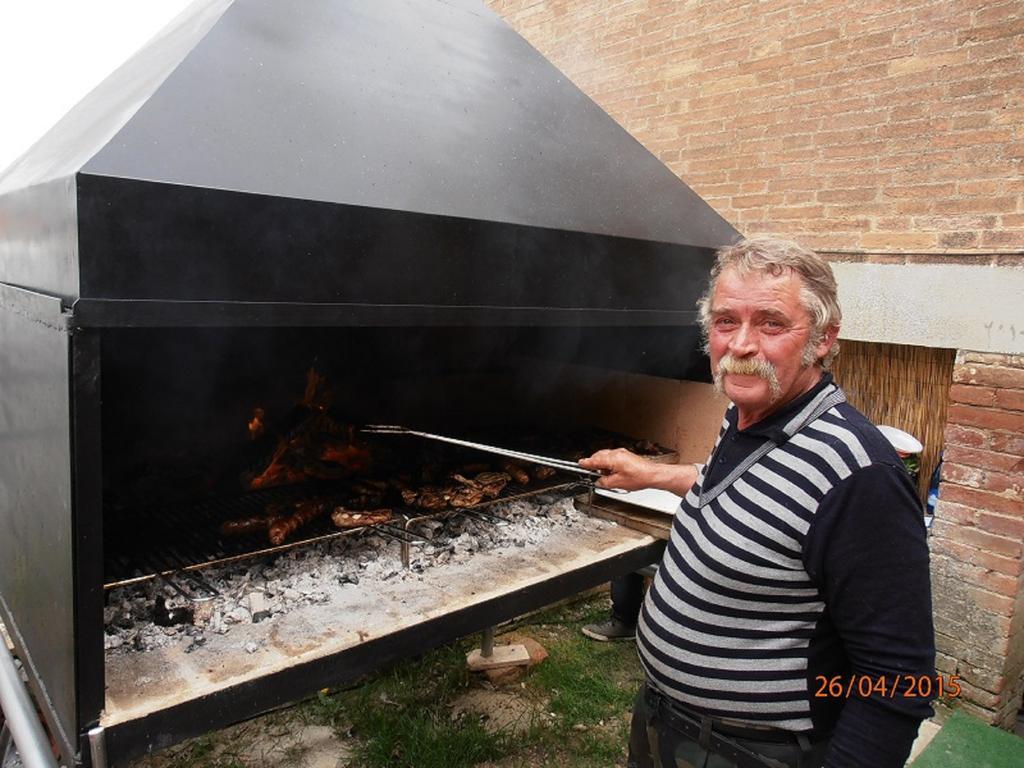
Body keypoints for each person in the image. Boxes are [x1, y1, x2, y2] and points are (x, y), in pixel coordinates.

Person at [580, 238, 935, 768]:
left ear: (822, 339)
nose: (741, 344)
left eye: (771, 323)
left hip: (747, 749)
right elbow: (756, 491)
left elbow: (897, 679)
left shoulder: (862, 476)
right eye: (726, 322)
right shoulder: (746, 415)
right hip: (665, 721)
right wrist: (652, 473)